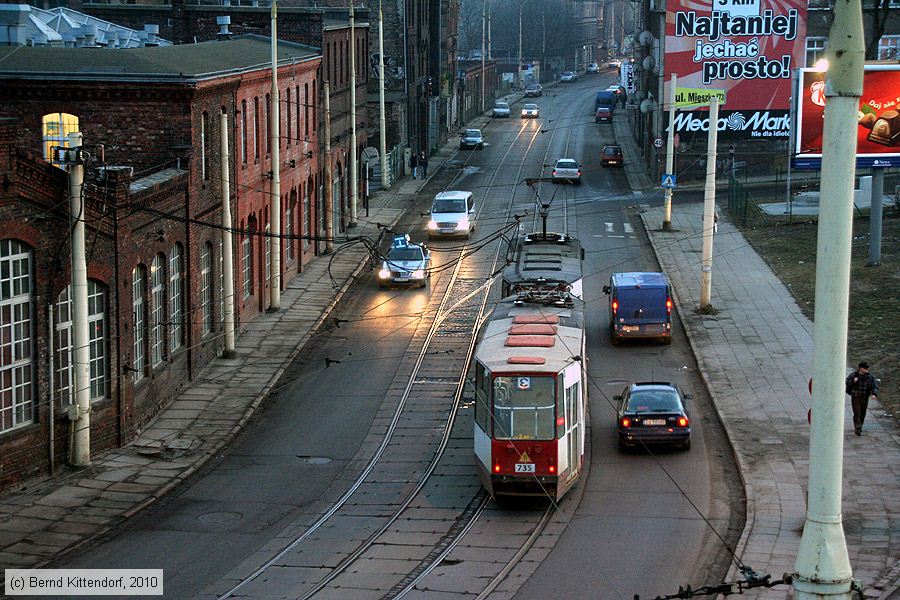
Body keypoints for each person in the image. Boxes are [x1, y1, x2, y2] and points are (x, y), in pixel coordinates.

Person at [846, 361, 878, 435]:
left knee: (863, 413)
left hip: (864, 397)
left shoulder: (870, 376)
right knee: (857, 412)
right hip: (855, 397)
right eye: (865, 368)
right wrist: (853, 381)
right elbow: (847, 382)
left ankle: (860, 425)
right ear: (860, 368)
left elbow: (874, 385)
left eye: (867, 368)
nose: (867, 370)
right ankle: (857, 427)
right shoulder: (853, 375)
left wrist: (874, 394)